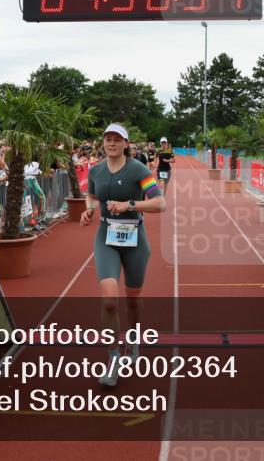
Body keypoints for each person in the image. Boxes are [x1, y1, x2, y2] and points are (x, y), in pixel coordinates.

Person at [80, 123, 165, 387]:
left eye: (117, 139)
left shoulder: (137, 169)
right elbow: (91, 196)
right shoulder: (96, 170)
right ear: (103, 143)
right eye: (108, 139)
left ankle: (134, 341)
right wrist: (90, 210)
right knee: (109, 299)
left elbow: (160, 202)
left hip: (135, 238)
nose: (112, 143)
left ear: (126, 143)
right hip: (106, 238)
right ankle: (114, 357)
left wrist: (129, 204)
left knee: (133, 298)